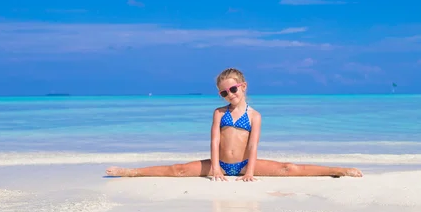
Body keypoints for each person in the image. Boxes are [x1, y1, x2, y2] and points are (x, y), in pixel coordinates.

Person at [106, 68, 363, 181]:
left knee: (288, 168)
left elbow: (253, 147)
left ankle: (338, 170)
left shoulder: (255, 116)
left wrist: (249, 172)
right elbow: (215, 142)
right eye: (224, 92)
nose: (229, 94)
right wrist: (215, 169)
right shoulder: (219, 113)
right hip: (219, 165)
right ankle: (131, 172)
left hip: (243, 166)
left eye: (232, 89)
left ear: (243, 86)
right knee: (179, 169)